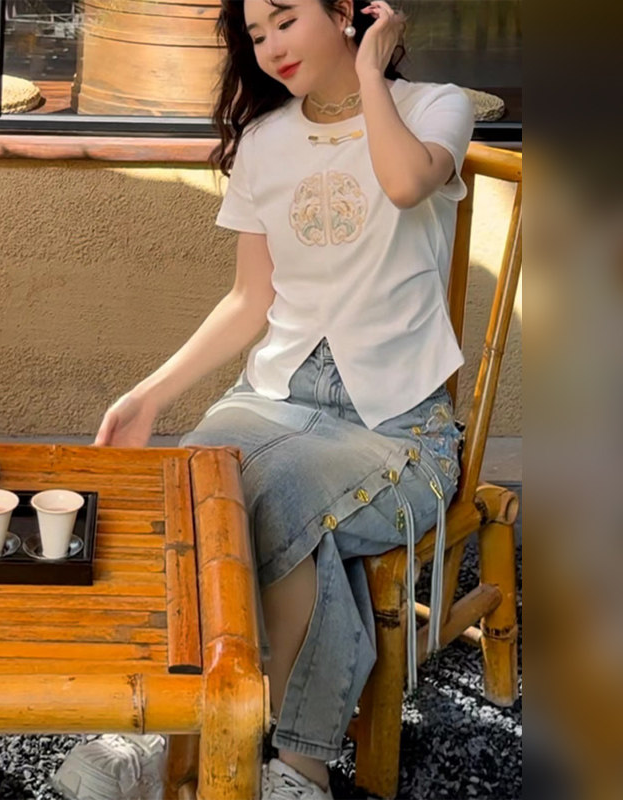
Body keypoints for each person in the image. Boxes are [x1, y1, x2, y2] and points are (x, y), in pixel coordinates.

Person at [94, 1, 473, 797]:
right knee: (193, 484)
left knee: (268, 494)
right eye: (256, 34)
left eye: (285, 19)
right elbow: (249, 300)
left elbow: (405, 184)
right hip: (275, 393)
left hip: (398, 426)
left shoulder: (434, 106)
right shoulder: (265, 140)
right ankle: (254, 750)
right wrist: (150, 394)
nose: (269, 47)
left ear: (346, 11)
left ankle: (223, 746)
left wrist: (369, 69)